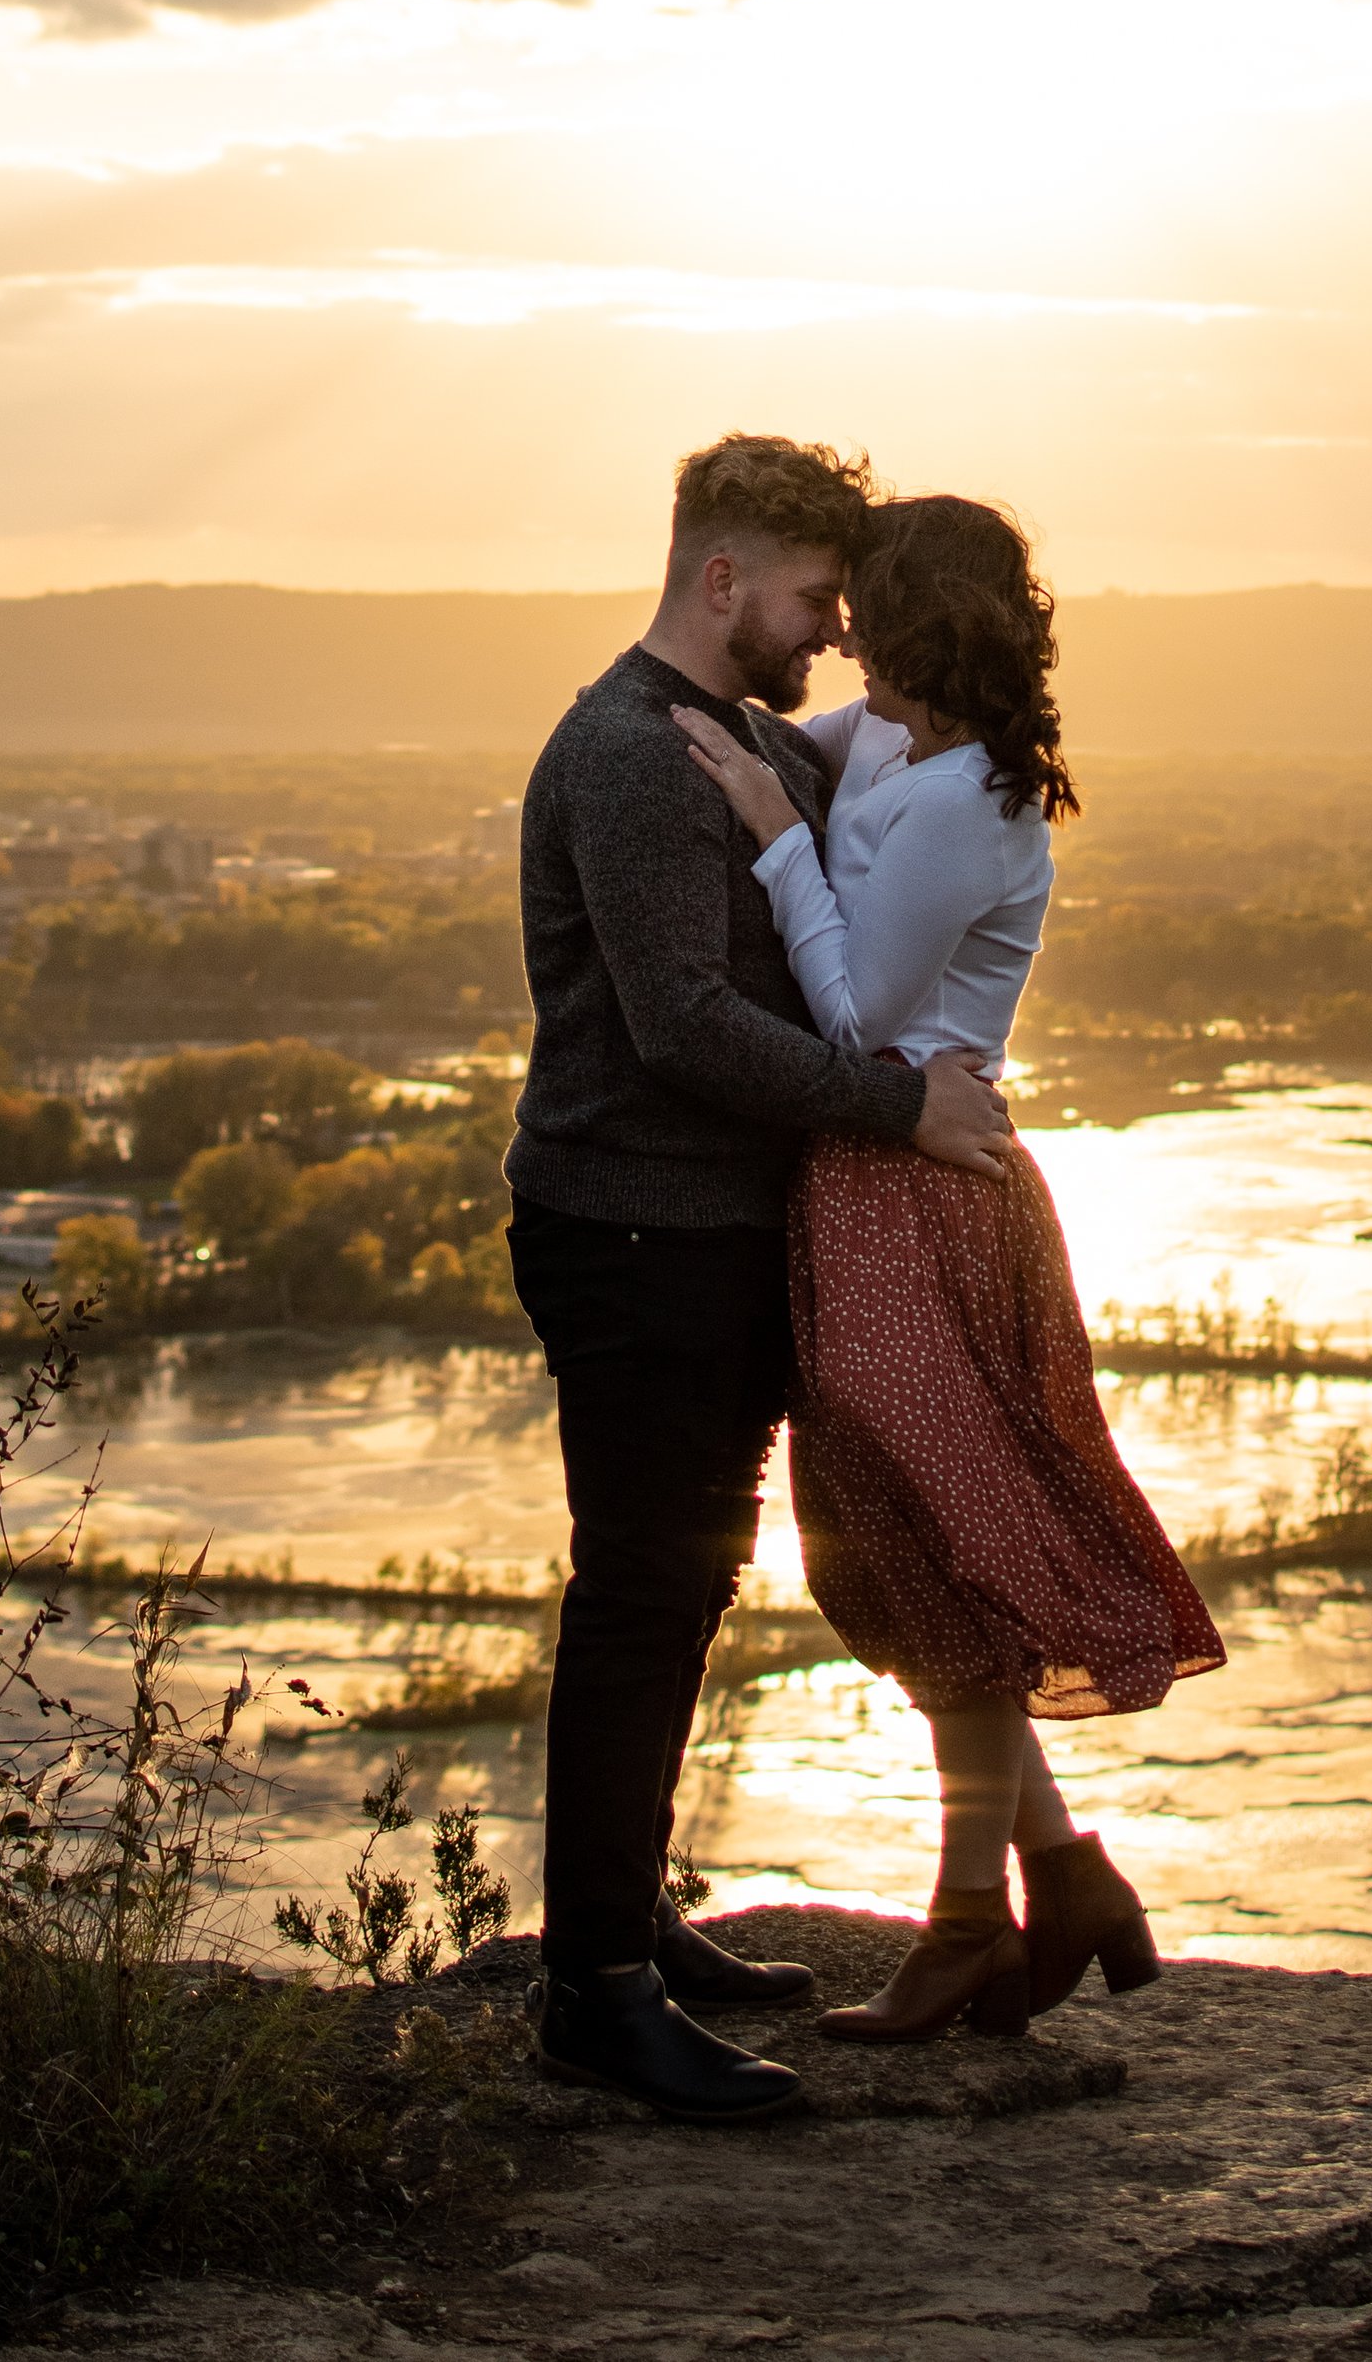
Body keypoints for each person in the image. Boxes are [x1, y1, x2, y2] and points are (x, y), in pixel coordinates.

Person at [504, 433, 1017, 2125]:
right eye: (811, 600)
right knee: (642, 1589)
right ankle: (596, 1993)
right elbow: (687, 1026)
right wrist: (899, 1106)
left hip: (710, 1233)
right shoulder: (639, 757)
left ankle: (629, 1910)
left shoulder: (738, 732)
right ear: (722, 581)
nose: (833, 634)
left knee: (689, 1584)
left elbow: (906, 791)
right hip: (634, 1229)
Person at [675, 492, 1224, 2047]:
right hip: (860, 1194)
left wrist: (776, 843)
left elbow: (856, 1018)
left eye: (863, 604)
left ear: (918, 619)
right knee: (891, 1540)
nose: (840, 626)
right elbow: (811, 747)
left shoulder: (974, 796)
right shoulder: (900, 749)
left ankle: (975, 1916)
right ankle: (1060, 1877)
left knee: (937, 1536)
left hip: (922, 1190)